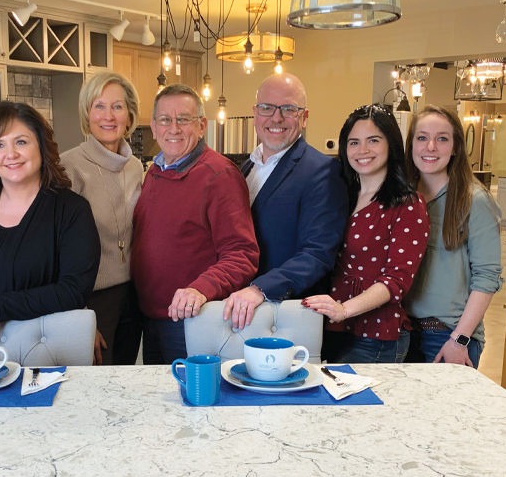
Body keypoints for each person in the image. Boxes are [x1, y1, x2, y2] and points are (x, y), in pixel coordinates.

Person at [131, 83, 259, 364]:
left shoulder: (220, 175)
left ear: (201, 126)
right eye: (165, 119)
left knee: (192, 392)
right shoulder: (155, 171)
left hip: (192, 320)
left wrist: (200, 288)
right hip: (151, 318)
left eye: (183, 119)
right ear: (154, 127)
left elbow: (242, 255)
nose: (173, 128)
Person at [0, 101, 100, 340]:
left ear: (41, 146)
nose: (11, 154)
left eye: (21, 142)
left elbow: (74, 290)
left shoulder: (72, 210)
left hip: (47, 346)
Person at [303, 104, 429, 363]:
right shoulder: (342, 196)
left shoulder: (407, 204)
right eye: (354, 142)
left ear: (391, 144)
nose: (362, 150)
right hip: (331, 327)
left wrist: (343, 309)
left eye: (373, 140)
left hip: (374, 335)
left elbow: (396, 281)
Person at [223, 73, 348, 329]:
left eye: (289, 109)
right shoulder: (245, 167)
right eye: (267, 107)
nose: (276, 118)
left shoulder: (323, 171)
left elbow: (317, 254)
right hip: (236, 309)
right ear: (255, 113)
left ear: (304, 117)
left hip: (285, 316)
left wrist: (260, 289)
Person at [404, 105, 502, 367]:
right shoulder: (403, 197)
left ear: (456, 146)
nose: (431, 147)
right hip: (402, 332)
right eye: (422, 137)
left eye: (442, 139)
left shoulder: (474, 200)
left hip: (447, 335)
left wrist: (459, 340)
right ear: (411, 144)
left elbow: (487, 277)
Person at [61, 72, 143, 365]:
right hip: (92, 300)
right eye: (99, 106)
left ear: (129, 115)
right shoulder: (68, 167)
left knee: (126, 379)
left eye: (117, 106)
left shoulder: (136, 167)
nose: (108, 116)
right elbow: (58, 250)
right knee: (97, 382)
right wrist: (80, 313)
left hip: (133, 296)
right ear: (87, 113)